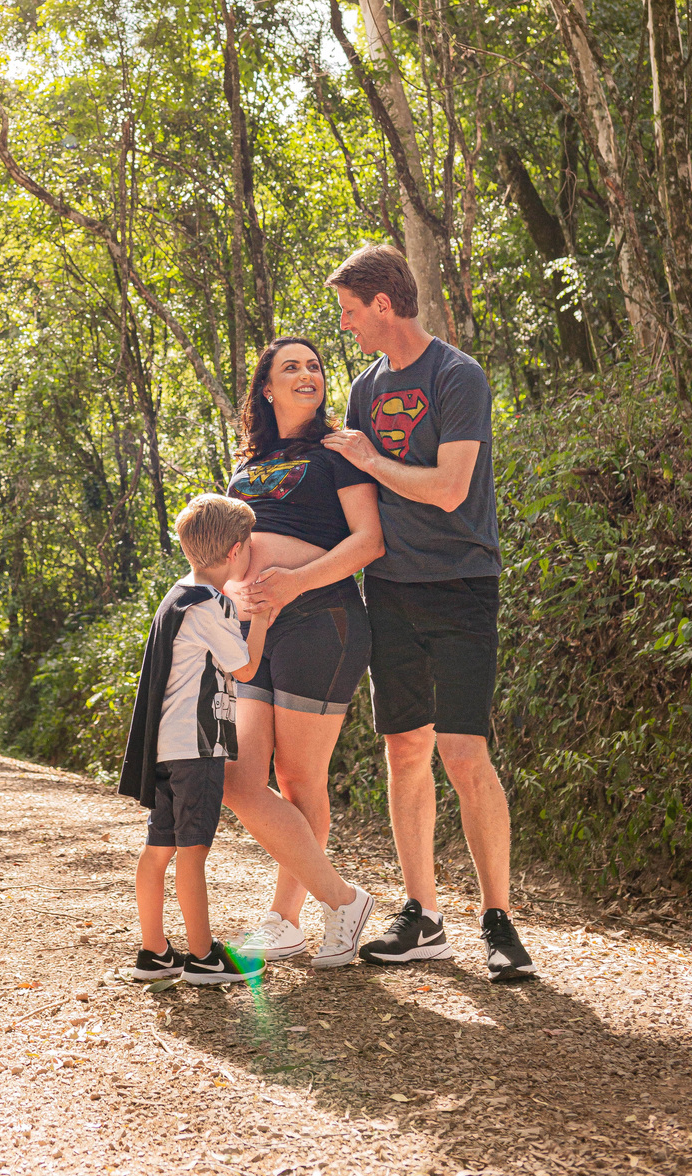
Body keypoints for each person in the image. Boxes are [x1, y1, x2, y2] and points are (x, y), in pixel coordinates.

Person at [319, 243, 534, 981]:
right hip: (391, 590)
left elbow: (448, 488)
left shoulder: (457, 375)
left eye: (352, 312)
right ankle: (423, 916)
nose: (346, 326)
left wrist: (373, 460)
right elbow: (354, 503)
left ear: (384, 305)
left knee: (464, 751)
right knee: (405, 748)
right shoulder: (362, 391)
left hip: (464, 583)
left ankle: (499, 922)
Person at [118, 493, 375, 981]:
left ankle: (154, 951)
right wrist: (260, 621)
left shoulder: (175, 596)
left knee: (157, 852)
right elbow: (246, 666)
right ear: (238, 552)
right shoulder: (210, 606)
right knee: (193, 853)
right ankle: (203, 956)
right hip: (195, 750)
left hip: (165, 749)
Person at [218, 337, 383, 965]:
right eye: (291, 367)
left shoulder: (337, 452)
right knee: (240, 779)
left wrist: (292, 583)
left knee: (299, 780)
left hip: (324, 620)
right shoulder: (245, 465)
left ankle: (288, 918)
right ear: (266, 387)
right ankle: (339, 899)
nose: (307, 374)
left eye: (314, 366)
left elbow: (368, 542)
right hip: (257, 629)